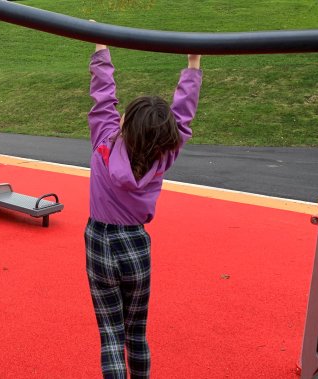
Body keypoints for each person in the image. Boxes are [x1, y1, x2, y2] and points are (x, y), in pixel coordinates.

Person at [85, 43, 202, 379]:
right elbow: (182, 116)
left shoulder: (105, 139)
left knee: (111, 334)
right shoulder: (164, 154)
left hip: (98, 240)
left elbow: (103, 96)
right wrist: (192, 65)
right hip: (135, 244)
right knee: (135, 333)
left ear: (123, 124)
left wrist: (101, 50)